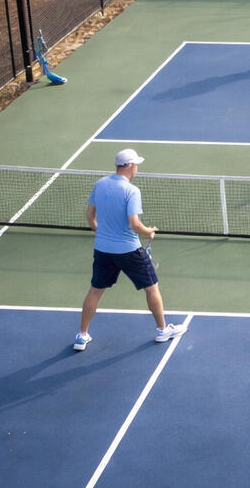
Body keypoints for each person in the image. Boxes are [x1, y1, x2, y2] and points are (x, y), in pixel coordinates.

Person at [74, 149, 186, 351]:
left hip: (102, 249)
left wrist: (103, 233)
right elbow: (134, 224)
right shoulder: (132, 191)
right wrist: (149, 232)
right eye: (136, 165)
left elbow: (90, 215)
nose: (137, 169)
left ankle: (82, 336)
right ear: (129, 166)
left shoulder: (100, 185)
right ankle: (162, 331)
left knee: (95, 290)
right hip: (129, 251)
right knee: (151, 287)